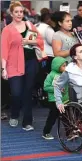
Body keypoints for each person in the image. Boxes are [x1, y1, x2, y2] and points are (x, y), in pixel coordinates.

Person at [1, 1, 44, 130]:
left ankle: (27, 121)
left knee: (27, 92)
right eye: (16, 12)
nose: (19, 14)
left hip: (30, 62)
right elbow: (3, 50)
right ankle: (14, 115)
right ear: (11, 14)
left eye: (21, 12)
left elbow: (40, 40)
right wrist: (3, 69)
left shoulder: (29, 25)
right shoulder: (7, 29)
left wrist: (29, 40)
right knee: (16, 93)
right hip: (13, 64)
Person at [42, 57, 69, 140]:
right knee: (52, 117)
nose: (65, 68)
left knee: (66, 117)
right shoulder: (51, 76)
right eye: (63, 66)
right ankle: (46, 132)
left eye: (66, 66)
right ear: (57, 66)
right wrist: (55, 88)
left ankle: (69, 133)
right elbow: (46, 87)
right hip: (53, 100)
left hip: (64, 99)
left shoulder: (65, 75)